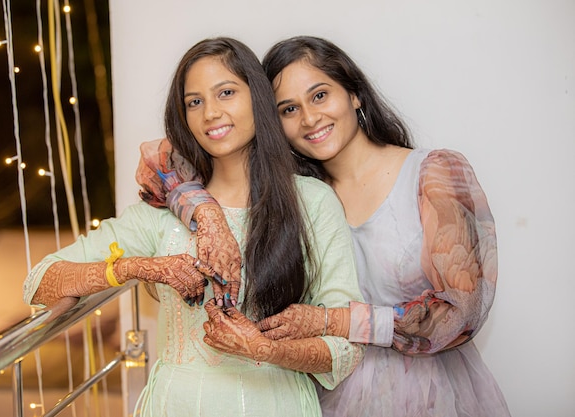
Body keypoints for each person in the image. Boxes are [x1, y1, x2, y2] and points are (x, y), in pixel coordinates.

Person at [146, 36, 511, 417]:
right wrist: (208, 214)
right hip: (327, 394)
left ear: (354, 94)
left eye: (319, 96)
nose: (309, 118)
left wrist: (330, 319)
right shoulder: (297, 197)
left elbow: (462, 314)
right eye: (288, 109)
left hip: (430, 393)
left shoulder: (432, 174)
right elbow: (160, 163)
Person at [22, 37, 365, 417]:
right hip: (176, 404)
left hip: (277, 402)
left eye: (227, 92)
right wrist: (137, 268)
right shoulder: (161, 211)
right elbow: (39, 282)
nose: (211, 113)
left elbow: (345, 349)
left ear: (259, 98)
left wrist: (265, 350)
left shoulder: (311, 202)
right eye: (195, 102)